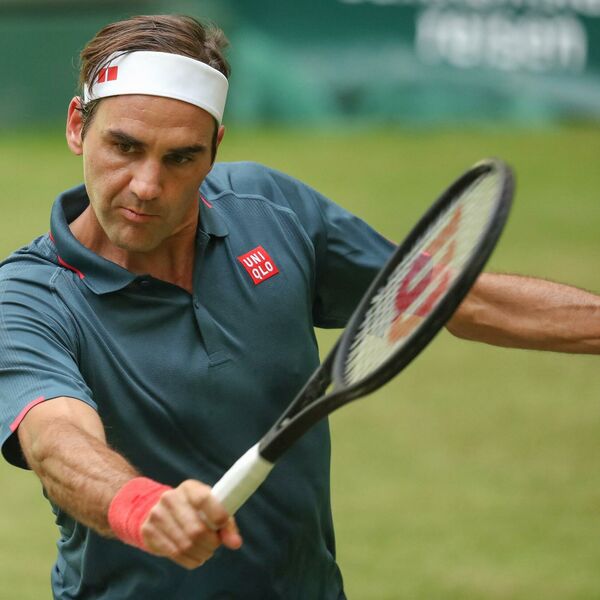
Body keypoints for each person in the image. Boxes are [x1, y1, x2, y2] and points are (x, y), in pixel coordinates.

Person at [0, 14, 597, 600]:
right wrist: (139, 505)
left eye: (180, 157)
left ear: (214, 150)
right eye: (124, 146)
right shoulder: (26, 297)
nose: (147, 185)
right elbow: (57, 440)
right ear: (78, 126)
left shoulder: (270, 209)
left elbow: (459, 298)